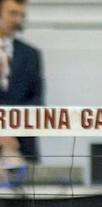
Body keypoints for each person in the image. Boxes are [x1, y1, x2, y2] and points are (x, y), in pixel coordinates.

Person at [0, 0, 41, 165]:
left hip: (20, 148)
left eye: (21, 15)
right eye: (13, 13)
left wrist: (12, 130)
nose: (17, 20)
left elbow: (36, 100)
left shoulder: (31, 54)